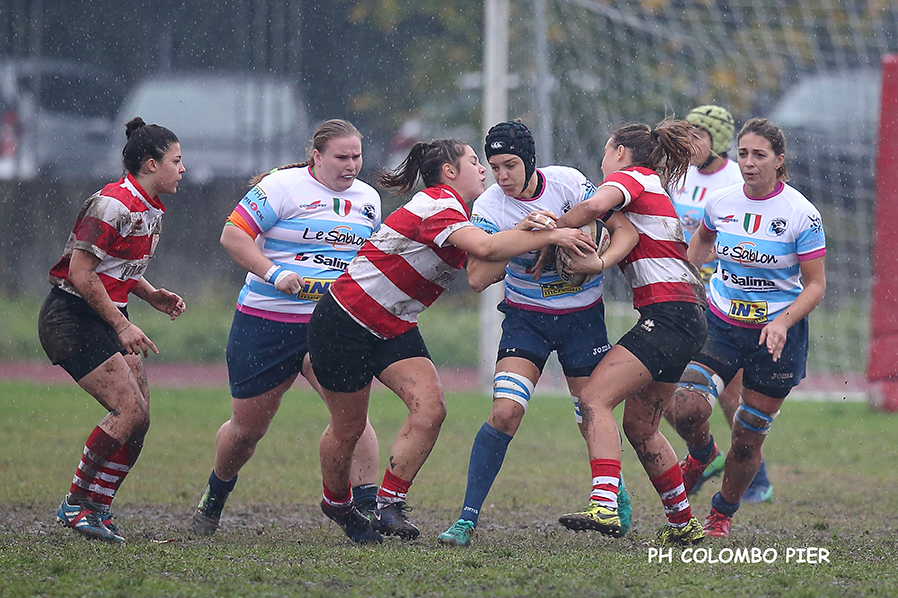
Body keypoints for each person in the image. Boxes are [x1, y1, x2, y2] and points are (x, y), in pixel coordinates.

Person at [307, 138, 597, 544]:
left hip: (395, 324)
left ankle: (389, 505)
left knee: (431, 410)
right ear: (449, 171)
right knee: (349, 427)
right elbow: (486, 248)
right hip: (346, 320)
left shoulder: (461, 212)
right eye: (476, 162)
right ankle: (336, 502)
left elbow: (481, 272)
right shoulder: (436, 203)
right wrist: (552, 236)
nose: (485, 170)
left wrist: (529, 228)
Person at [437, 120, 640, 547]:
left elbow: (625, 229)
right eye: (494, 166)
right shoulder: (492, 207)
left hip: (582, 320)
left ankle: (613, 495)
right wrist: (529, 234)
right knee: (506, 412)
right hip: (526, 319)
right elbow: (477, 276)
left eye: (510, 164)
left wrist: (597, 261)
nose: (502, 175)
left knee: (592, 415)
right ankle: (466, 519)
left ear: (530, 160)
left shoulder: (567, 183)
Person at [191, 119, 383, 536]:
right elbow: (232, 236)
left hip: (331, 326)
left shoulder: (368, 198)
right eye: (341, 157)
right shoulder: (283, 187)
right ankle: (215, 495)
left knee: (352, 418)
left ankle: (369, 509)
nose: (351, 165)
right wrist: (275, 273)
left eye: (357, 156)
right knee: (246, 431)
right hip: (265, 323)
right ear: (316, 156)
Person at [546, 119, 709, 545]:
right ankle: (683, 523)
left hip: (669, 315)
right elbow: (628, 232)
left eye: (605, 151)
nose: (602, 161)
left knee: (594, 399)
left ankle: (603, 502)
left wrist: (554, 233)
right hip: (689, 316)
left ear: (620, 152)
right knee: (642, 427)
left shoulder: (631, 177)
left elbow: (596, 206)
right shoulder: (651, 187)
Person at [669, 118, 826, 537]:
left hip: (777, 337)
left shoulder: (801, 213)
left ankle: (721, 513)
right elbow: (702, 241)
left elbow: (816, 285)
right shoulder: (721, 202)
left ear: (779, 160)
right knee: (685, 408)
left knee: (746, 439)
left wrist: (782, 321)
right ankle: (701, 454)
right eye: (743, 154)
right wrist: (686, 276)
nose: (749, 163)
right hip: (721, 323)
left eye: (759, 155)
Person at [38, 117, 186, 543]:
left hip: (104, 315)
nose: (183, 169)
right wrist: (122, 325)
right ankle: (76, 503)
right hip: (71, 317)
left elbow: (115, 268)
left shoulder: (150, 207)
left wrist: (152, 295)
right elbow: (81, 274)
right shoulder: (113, 203)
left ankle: (96, 508)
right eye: (176, 161)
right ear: (150, 163)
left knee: (139, 420)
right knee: (129, 410)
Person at [666, 106, 776, 503]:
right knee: (661, 383)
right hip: (681, 292)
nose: (690, 143)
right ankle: (706, 452)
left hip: (722, 300)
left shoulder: (737, 180)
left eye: (698, 134)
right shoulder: (679, 176)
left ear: (718, 140)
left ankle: (755, 476)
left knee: (731, 394)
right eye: (686, 134)